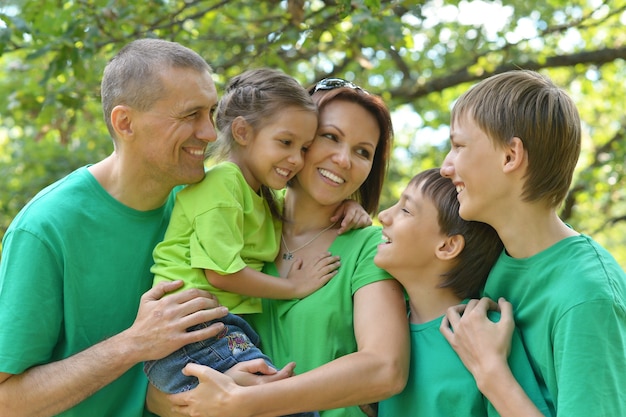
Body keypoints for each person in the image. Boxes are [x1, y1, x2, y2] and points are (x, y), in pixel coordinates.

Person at [0, 38, 240, 417]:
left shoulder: (207, 202)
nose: (210, 133)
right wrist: (133, 344)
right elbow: (6, 401)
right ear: (125, 122)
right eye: (190, 115)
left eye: (210, 112)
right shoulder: (45, 228)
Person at [146, 78, 410, 417]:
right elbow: (157, 395)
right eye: (330, 136)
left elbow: (385, 369)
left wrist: (246, 401)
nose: (344, 159)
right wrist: (219, 391)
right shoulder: (245, 219)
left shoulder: (369, 245)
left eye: (363, 152)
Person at [439, 69, 626, 416]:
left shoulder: (588, 296)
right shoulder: (488, 256)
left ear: (510, 156)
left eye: (458, 146)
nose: (445, 167)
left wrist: (491, 372)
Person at [375, 168, 552, 417]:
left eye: (405, 210)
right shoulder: (380, 329)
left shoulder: (489, 332)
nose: (383, 215)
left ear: (447, 246)